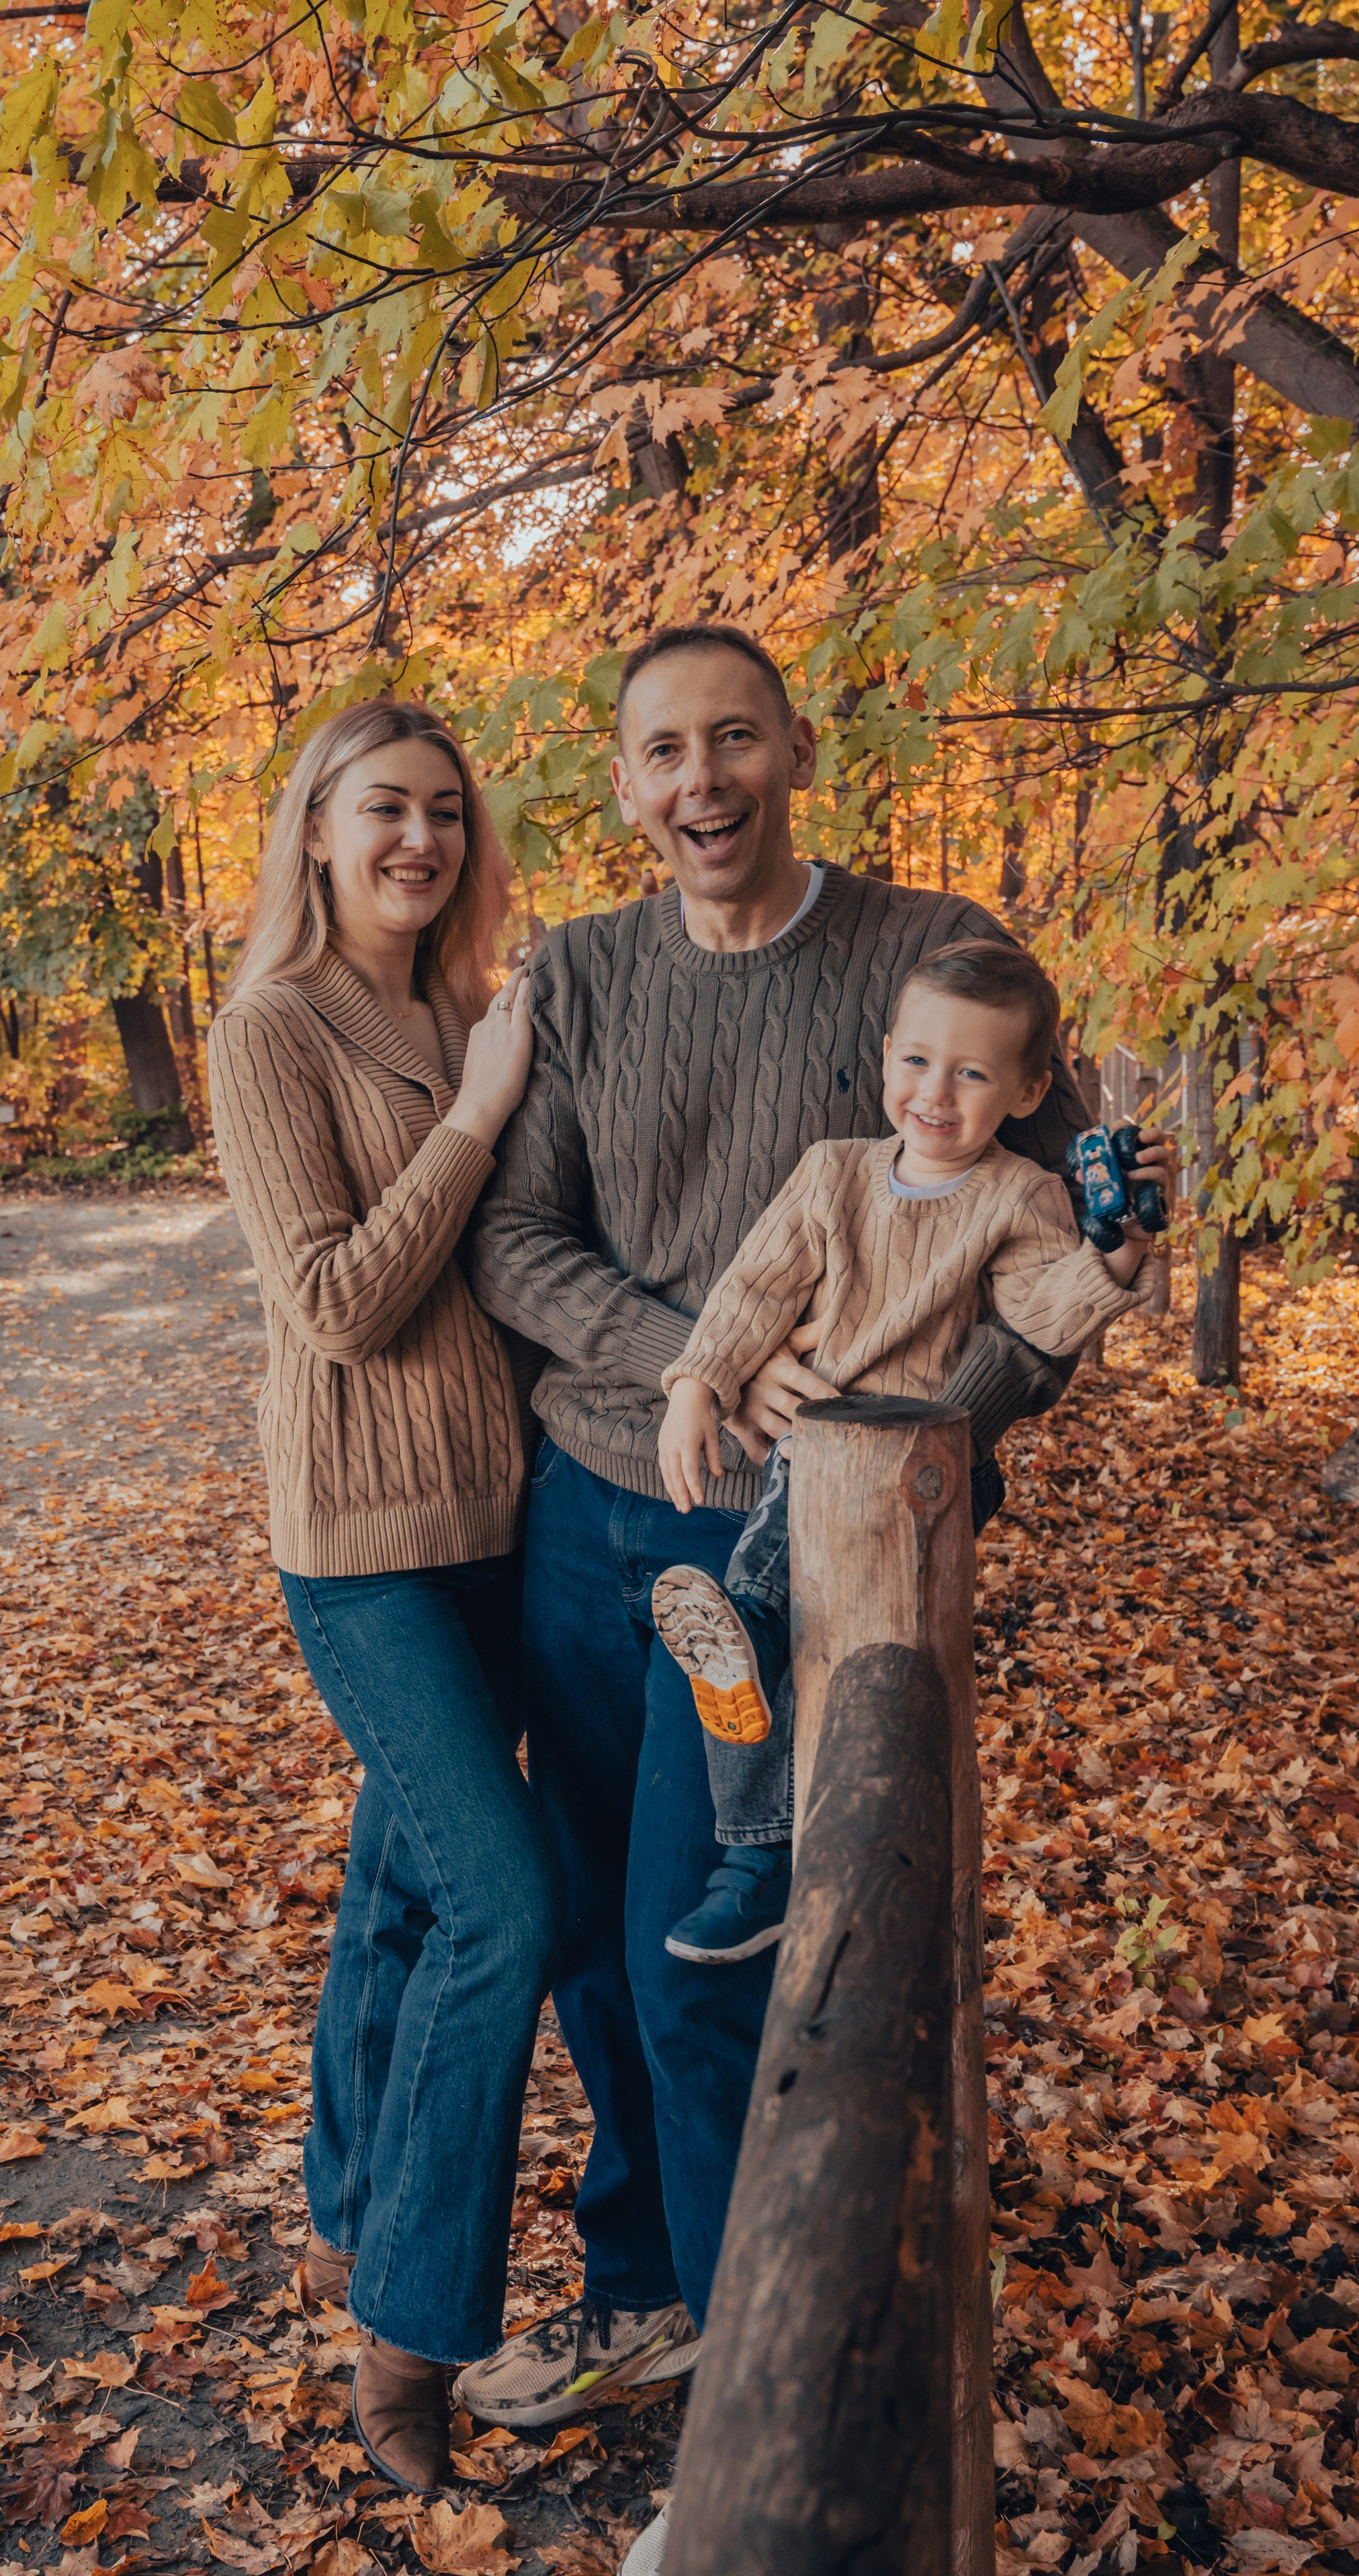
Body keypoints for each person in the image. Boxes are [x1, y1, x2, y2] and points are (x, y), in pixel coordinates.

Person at [457, 625, 1174, 2522]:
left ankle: (773, 2383)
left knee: (732, 1926)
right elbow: (517, 1244)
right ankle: (654, 2288)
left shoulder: (931, 952)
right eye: (662, 751)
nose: (702, 781)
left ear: (792, 749)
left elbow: (1055, 1244)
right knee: (611, 1933)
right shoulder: (588, 977)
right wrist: (702, 1343)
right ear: (624, 781)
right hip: (598, 1504)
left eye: (734, 741)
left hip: (809, 1541)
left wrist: (899, 1425)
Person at [205, 701, 558, 2497]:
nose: (417, 838)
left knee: (406, 1881)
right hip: (361, 1543)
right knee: (506, 1901)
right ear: (320, 832)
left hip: (510, 1519)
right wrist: (481, 1117)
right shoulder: (269, 1027)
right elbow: (340, 1299)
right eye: (382, 811)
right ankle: (413, 2330)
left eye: (441, 811)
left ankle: (349, 2201)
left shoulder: (467, 1004)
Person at [651, 938, 1153, 1965]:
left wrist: (1118, 1256)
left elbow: (1044, 1315)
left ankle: (764, 1843)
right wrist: (697, 1386)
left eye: (973, 1073)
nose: (937, 1092)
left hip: (921, 1473)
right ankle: (753, 1862)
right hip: (811, 1460)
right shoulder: (833, 1175)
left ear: (1024, 1089)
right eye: (919, 1062)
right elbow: (756, 1288)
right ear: (886, 1058)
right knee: (762, 1646)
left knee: (777, 1623)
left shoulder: (1018, 1197)